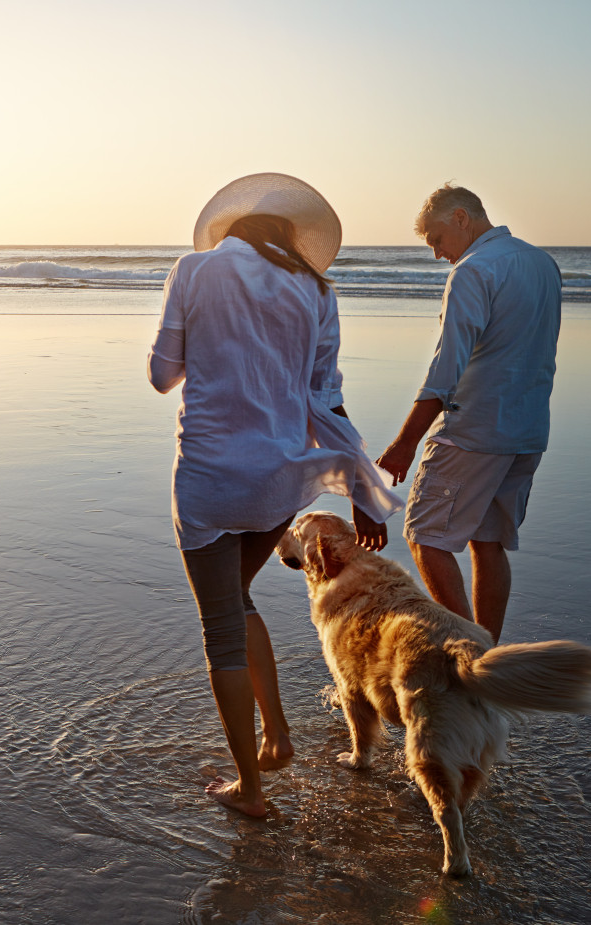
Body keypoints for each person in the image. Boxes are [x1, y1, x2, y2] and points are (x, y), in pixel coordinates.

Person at [149, 173, 401, 817]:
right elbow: (327, 397)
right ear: (291, 237)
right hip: (279, 484)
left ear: (228, 228)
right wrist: (362, 490)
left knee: (221, 633)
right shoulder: (316, 289)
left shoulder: (194, 271)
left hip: (209, 478)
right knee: (236, 598)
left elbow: (161, 377)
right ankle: (278, 735)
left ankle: (252, 790)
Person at [375, 184, 562, 644]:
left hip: (473, 430)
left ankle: (469, 654)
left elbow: (446, 368)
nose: (438, 253)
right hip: (527, 429)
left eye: (436, 240)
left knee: (425, 537)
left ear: (461, 218)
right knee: (488, 542)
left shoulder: (473, 270)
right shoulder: (543, 263)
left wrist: (405, 442)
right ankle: (490, 658)